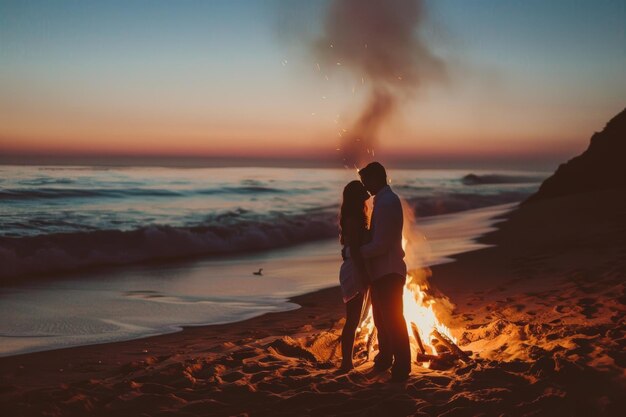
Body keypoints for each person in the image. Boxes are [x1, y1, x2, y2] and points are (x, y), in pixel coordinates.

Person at [358, 162, 411, 382]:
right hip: (382, 271)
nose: (365, 187)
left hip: (389, 270)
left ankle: (402, 365)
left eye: (366, 181)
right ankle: (386, 357)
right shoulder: (382, 200)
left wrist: (356, 253)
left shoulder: (388, 202)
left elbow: (382, 244)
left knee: (392, 318)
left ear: (376, 178)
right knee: (381, 318)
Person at [338, 180, 371, 371]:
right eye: (362, 188)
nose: (366, 189)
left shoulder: (358, 216)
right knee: (352, 319)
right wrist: (364, 273)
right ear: (356, 196)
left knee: (355, 318)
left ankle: (346, 361)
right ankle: (346, 363)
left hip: (354, 266)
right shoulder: (353, 219)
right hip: (353, 269)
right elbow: (356, 251)